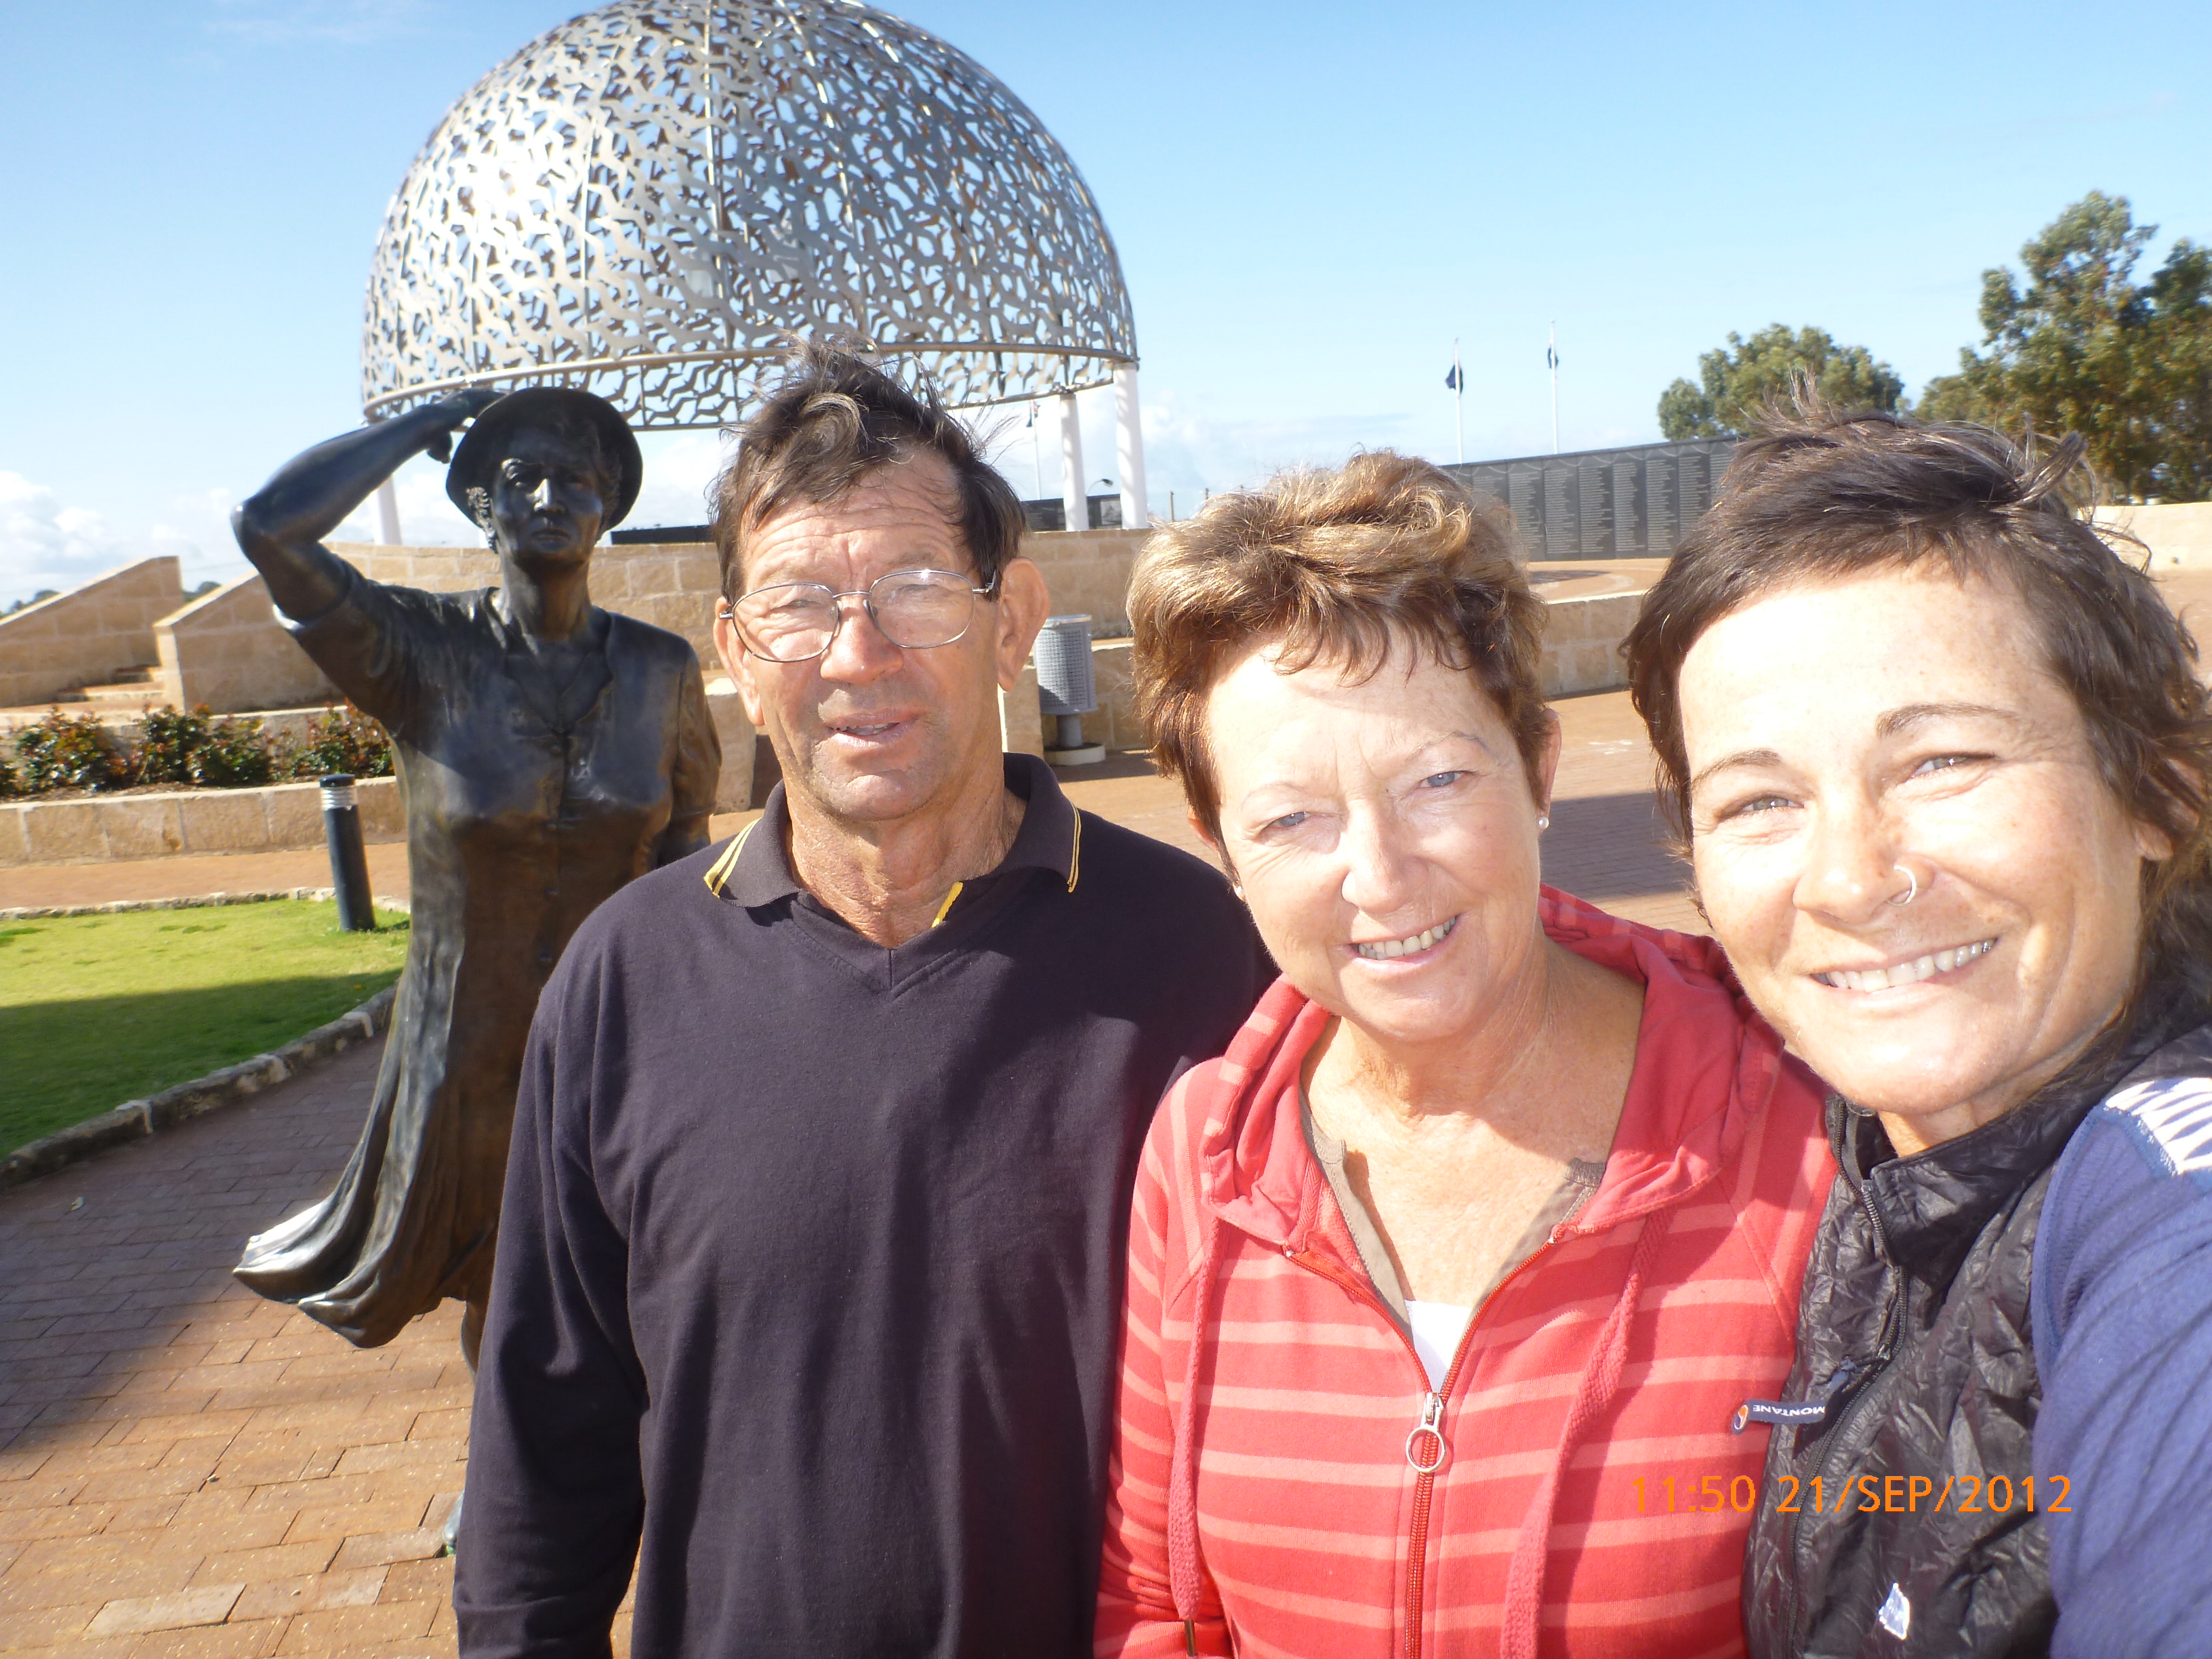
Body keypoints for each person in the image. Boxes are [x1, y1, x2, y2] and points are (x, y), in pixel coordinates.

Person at [453, 346, 1276, 1658]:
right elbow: (547, 1443)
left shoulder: (1200, 956)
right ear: (735, 653)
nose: (858, 653)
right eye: (798, 604)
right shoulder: (625, 982)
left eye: (916, 589)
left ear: (1012, 620)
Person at [1094, 452, 1833, 1658]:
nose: (1380, 876)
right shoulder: (1204, 1153)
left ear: (1538, 766)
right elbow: (1148, 1601)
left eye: (1436, 779)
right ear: (1220, 848)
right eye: (1289, 819)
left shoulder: (1799, 1119)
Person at [1622, 401, 2212, 1658]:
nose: (1848, 879)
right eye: (1760, 799)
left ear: (2159, 790)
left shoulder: (2170, 1212)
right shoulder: (1897, 1151)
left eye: (1944, 761)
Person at [232, 386, 718, 1368]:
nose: (549, 498)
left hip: (618, 1036)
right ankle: (510, 1457)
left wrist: (707, 1027)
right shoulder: (420, 653)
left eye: (574, 480)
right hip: (466, 1050)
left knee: (637, 1274)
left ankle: (640, 1451)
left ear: (607, 507)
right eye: (520, 477)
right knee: (500, 1294)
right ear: (481, 507)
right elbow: (270, 530)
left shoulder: (661, 670)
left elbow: (687, 856)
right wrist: (425, 425)